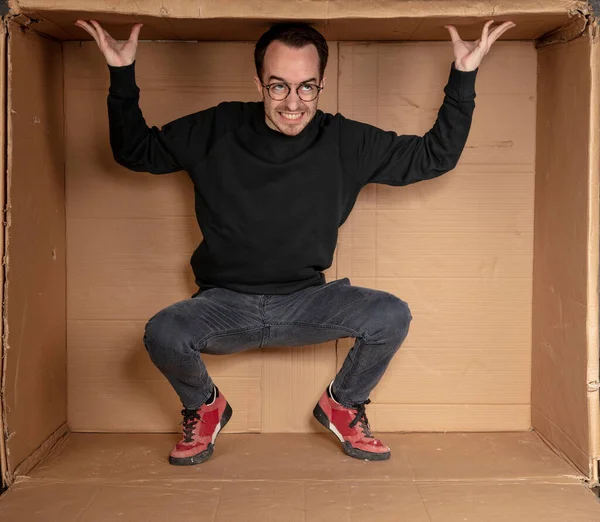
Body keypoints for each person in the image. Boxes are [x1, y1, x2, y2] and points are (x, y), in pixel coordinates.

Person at [74, 19, 515, 466]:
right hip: (224, 305)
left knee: (390, 314)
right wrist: (121, 73)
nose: (292, 103)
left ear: (321, 84)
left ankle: (342, 404)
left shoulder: (345, 140)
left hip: (307, 303)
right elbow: (135, 151)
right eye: (278, 86)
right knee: (164, 333)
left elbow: (432, 156)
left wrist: (463, 76)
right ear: (258, 83)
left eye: (306, 88)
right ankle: (205, 407)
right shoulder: (217, 127)